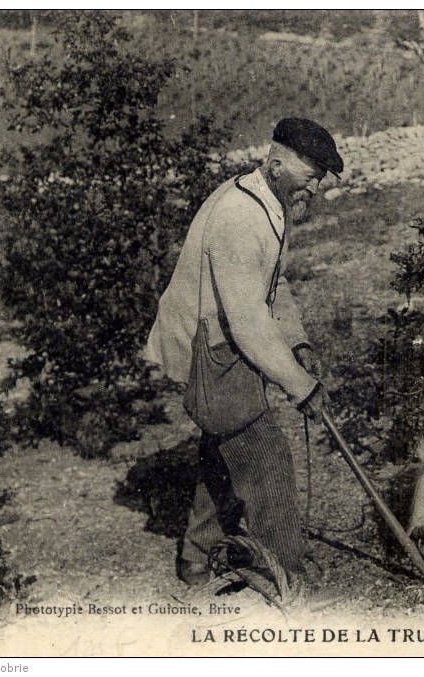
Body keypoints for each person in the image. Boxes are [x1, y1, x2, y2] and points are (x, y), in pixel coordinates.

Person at [144, 117, 344, 587]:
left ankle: (196, 557)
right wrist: (302, 387)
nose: (314, 189)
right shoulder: (239, 216)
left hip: (227, 342)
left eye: (319, 179)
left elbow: (275, 283)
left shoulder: (268, 202)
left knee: (227, 449)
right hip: (212, 350)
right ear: (276, 164)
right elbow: (249, 323)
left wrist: (297, 342)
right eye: (310, 176)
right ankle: (284, 579)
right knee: (267, 458)